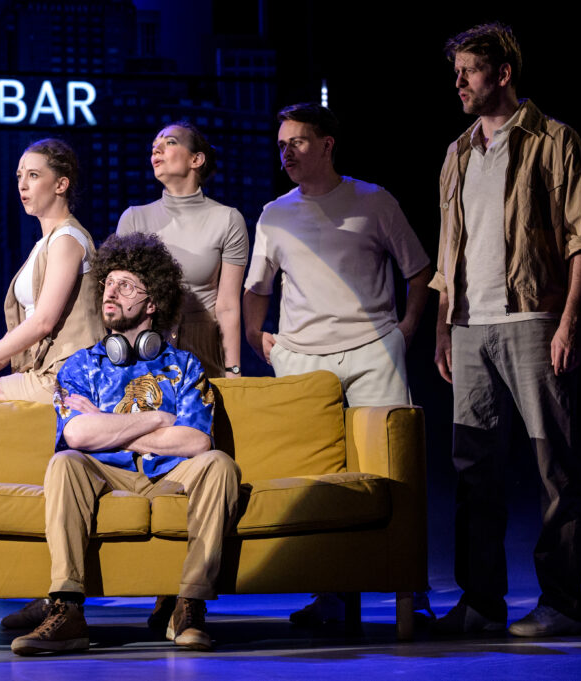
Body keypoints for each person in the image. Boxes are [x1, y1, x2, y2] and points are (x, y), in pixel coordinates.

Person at [432, 23, 581, 637]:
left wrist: (569, 321)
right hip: (468, 324)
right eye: (455, 72)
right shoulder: (456, 152)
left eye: (469, 71)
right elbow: (449, 248)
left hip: (533, 319)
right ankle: (481, 603)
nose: (458, 82)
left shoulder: (554, 140)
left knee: (554, 465)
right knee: (473, 469)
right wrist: (444, 328)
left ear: (502, 73)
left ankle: (563, 603)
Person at [242, 103, 433, 628]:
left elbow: (419, 271)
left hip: (372, 350)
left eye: (297, 142)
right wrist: (259, 338)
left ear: (327, 145)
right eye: (281, 145)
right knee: (314, 478)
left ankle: (410, 589)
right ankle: (331, 593)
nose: (286, 153)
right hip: (302, 358)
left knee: (393, 470)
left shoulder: (373, 200)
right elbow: (257, 287)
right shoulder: (275, 213)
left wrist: (405, 329)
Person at [10, 233, 240, 655]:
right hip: (106, 474)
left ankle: (188, 605)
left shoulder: (184, 365)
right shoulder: (80, 365)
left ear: (152, 304)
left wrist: (106, 424)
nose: (110, 293)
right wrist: (157, 418)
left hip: (171, 474)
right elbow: (77, 435)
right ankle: (67, 608)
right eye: (108, 283)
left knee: (220, 464)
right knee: (65, 463)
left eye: (126, 285)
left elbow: (196, 441)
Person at [0, 138, 103, 403]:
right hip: (41, 369)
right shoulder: (44, 244)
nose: (22, 185)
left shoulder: (68, 238)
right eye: (19, 176)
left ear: (61, 184)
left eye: (33, 175)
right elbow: (23, 328)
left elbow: (43, 321)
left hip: (68, 374)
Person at [117, 121, 249, 379]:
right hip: (147, 347)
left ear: (196, 159)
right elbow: (122, 301)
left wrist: (233, 370)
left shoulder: (227, 219)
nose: (156, 150)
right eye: (154, 146)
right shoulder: (134, 219)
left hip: (203, 345)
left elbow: (228, 306)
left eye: (169, 142)